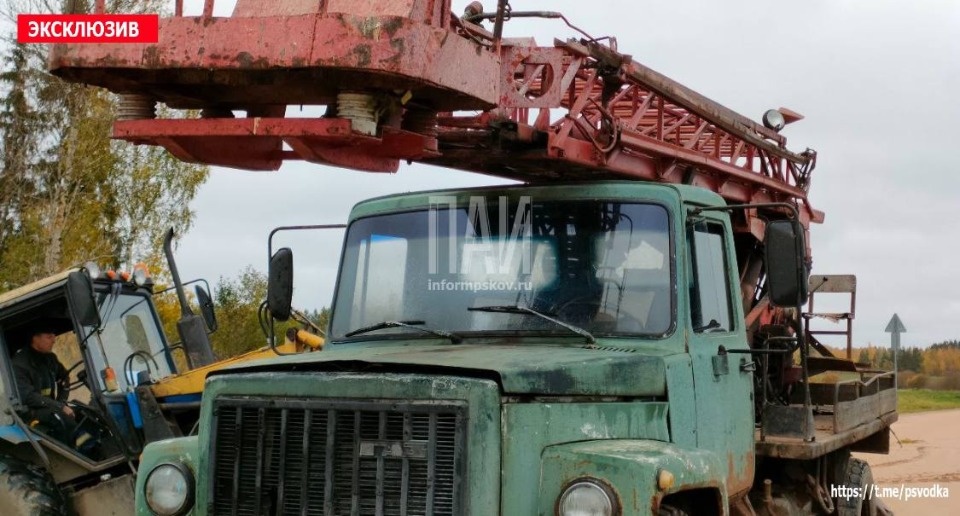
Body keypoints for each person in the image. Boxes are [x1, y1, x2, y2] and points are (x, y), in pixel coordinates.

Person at [12, 320, 91, 451]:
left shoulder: (50, 358)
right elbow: (28, 397)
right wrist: (59, 406)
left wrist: (62, 401)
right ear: (35, 338)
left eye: (54, 335)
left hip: (51, 407)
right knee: (62, 419)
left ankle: (91, 444)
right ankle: (77, 451)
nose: (54, 339)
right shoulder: (19, 364)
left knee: (84, 412)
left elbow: (64, 377)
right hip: (30, 412)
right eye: (49, 336)